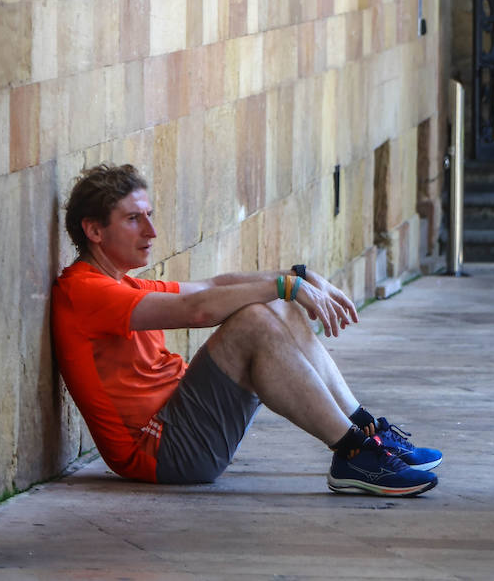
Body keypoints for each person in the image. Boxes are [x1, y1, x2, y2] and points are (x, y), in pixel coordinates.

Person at [51, 163, 441, 496]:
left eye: (150, 215)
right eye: (134, 219)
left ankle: (363, 429)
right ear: (94, 231)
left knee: (271, 303)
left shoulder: (122, 283)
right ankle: (354, 454)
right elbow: (199, 309)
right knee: (253, 318)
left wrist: (295, 277)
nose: (151, 231)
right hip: (162, 451)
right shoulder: (84, 292)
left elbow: (212, 286)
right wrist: (286, 287)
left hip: (181, 424)